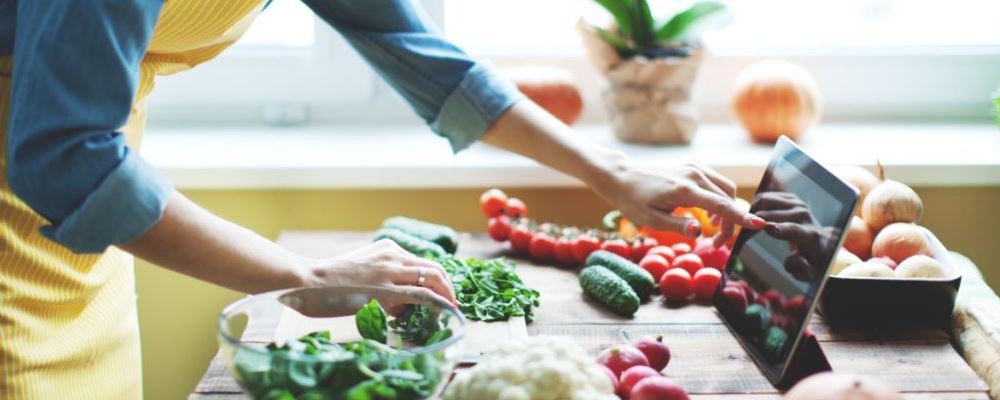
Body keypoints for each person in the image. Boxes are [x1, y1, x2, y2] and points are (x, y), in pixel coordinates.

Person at [0, 0, 764, 397]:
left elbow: (422, 55)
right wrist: (305, 277)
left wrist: (608, 170)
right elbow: (64, 154)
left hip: (84, 236)